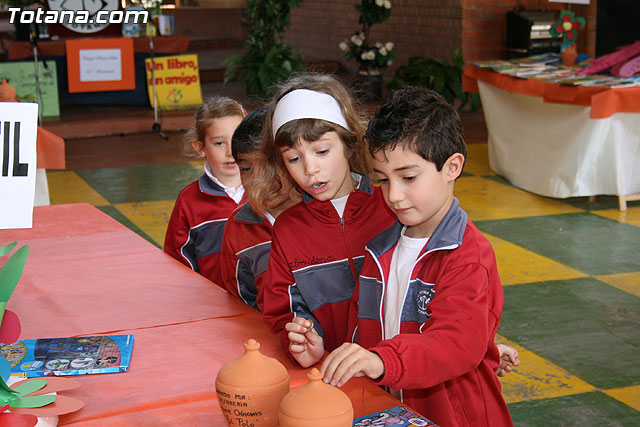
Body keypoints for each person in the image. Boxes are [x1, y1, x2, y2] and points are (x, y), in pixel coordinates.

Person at [319, 86, 513, 426]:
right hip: (392, 411)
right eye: (383, 180)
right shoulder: (379, 249)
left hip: (455, 417)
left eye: (408, 177)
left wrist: (383, 361)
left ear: (452, 167)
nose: (394, 195)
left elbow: (454, 343)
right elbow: (361, 331)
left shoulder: (468, 255)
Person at [254, 73, 396, 362]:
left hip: (398, 370)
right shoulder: (288, 229)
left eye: (321, 151)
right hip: (331, 375)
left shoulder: (393, 209)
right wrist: (301, 342)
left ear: (349, 144)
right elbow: (285, 312)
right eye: (294, 158)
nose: (310, 169)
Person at [219, 106, 299, 310]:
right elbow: (241, 303)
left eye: (269, 165)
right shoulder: (239, 227)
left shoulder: (325, 211)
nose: (258, 180)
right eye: (246, 168)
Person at [164, 96, 246, 287]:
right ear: (200, 148)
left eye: (238, 140)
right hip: (212, 300)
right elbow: (177, 262)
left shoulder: (269, 191)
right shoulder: (189, 201)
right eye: (219, 143)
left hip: (265, 301)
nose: (231, 151)